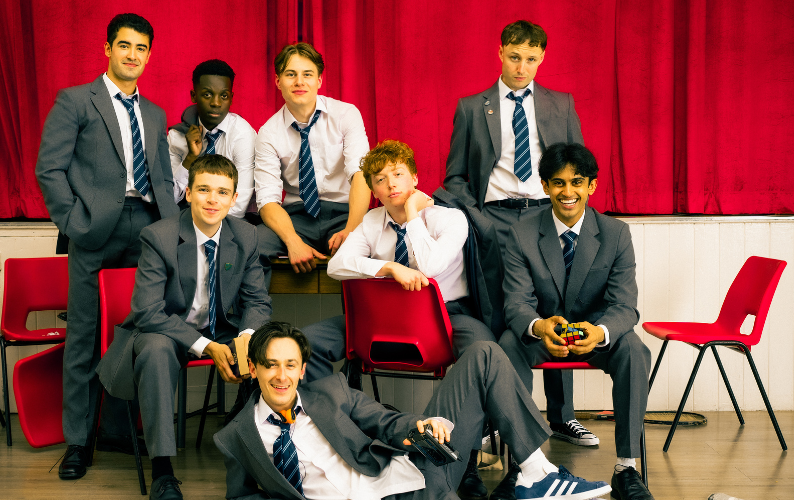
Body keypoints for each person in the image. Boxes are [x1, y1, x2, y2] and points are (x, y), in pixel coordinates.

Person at [441, 21, 593, 497]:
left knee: (554, 309)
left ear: (542, 58)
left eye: (530, 58)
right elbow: (456, 178)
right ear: (499, 53)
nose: (521, 66)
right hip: (496, 219)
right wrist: (481, 221)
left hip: (548, 214)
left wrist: (568, 216)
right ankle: (498, 421)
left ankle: (562, 416)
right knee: (506, 318)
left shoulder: (560, 104)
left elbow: (578, 164)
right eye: (513, 57)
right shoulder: (472, 107)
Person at [214, 322, 612, 500]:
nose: (281, 377)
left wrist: (417, 427)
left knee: (485, 353)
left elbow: (385, 421)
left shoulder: (330, 391)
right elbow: (244, 496)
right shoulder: (237, 437)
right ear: (254, 368)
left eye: (290, 366)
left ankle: (535, 473)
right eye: (270, 365)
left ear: (302, 370)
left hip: (411, 477)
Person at [35, 13, 178, 480]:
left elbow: (161, 176)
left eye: (140, 48)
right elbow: (48, 169)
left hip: (146, 231)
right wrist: (75, 222)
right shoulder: (76, 101)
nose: (132, 54)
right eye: (124, 45)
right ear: (107, 49)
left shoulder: (155, 113)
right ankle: (78, 441)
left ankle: (118, 431)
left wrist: (171, 229)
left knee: (134, 333)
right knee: (83, 335)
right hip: (94, 231)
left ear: (149, 55)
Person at [97, 154, 272, 500]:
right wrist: (206, 347)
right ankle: (162, 471)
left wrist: (244, 342)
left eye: (222, 192)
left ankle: (264, 447)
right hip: (165, 330)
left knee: (272, 342)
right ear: (188, 193)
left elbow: (257, 303)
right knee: (157, 350)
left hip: (220, 327)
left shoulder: (247, 236)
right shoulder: (158, 236)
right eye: (204, 189)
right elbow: (147, 312)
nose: (213, 199)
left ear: (234, 199)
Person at [498, 143, 653, 500]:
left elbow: (625, 306)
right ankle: (523, 465)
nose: (567, 192)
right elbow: (516, 302)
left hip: (595, 335)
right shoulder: (522, 233)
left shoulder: (615, 234)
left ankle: (627, 468)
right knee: (507, 344)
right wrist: (539, 327)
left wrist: (599, 332)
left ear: (592, 186)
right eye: (558, 183)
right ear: (544, 185)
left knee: (633, 348)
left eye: (577, 182)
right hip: (543, 333)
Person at [301, 140, 493, 382]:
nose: (390, 183)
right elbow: (336, 265)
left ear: (414, 178)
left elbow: (429, 267)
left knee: (485, 349)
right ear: (373, 191)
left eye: (398, 174)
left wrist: (413, 213)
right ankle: (325, 414)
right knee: (304, 343)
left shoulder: (451, 219)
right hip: (383, 316)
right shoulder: (372, 221)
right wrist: (390, 268)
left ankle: (452, 420)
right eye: (380, 179)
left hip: (446, 315)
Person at [254, 42, 371, 278]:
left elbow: (361, 175)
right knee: (252, 246)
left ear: (319, 80)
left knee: (371, 246)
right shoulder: (268, 132)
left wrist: (352, 230)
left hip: (344, 214)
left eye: (307, 74)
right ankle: (257, 316)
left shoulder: (346, 115)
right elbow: (267, 200)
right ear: (278, 81)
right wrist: (292, 241)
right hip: (296, 218)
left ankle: (362, 316)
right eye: (290, 74)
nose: (299, 82)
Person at [168, 59, 256, 218]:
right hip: (185, 220)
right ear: (194, 95)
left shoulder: (242, 135)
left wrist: (205, 228)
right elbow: (169, 199)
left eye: (224, 96)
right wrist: (190, 159)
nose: (216, 103)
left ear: (231, 98)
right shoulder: (177, 137)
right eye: (207, 94)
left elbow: (239, 205)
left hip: (231, 223)